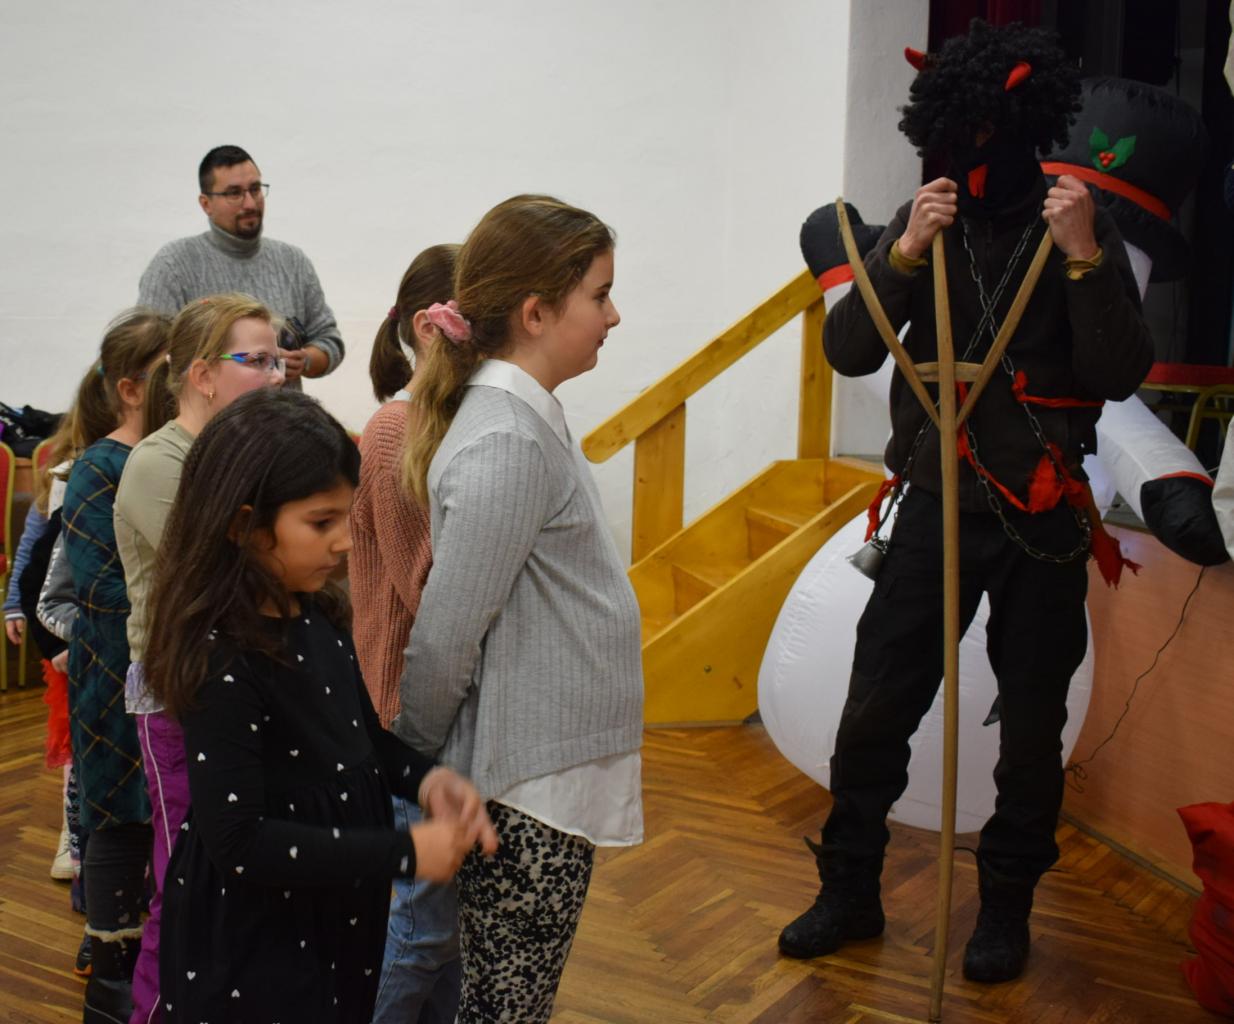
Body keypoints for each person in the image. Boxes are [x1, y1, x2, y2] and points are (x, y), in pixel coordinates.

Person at [777, 20, 1156, 985]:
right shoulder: (925, 222)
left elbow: (1118, 372)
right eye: (954, 132)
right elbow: (851, 351)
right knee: (874, 710)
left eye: (983, 131)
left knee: (1030, 733)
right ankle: (850, 891)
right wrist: (903, 250)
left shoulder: (1079, 224)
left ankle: (1005, 913)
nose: (968, 151)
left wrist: (1082, 254)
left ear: (1023, 123)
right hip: (932, 509)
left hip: (1043, 520)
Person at [141, 388, 495, 1022]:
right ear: (245, 527)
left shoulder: (319, 615)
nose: (346, 542)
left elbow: (367, 740)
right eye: (320, 523)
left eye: (346, 518)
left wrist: (428, 780)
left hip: (335, 912)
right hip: (259, 942)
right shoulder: (223, 655)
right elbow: (239, 841)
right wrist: (405, 852)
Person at [393, 194, 644, 1023]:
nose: (614, 315)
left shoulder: (525, 419)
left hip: (539, 772)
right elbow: (445, 638)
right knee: (507, 1008)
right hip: (525, 785)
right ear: (535, 313)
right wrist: (414, 764)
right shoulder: (506, 437)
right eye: (600, 295)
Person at [113, 293, 285, 1024]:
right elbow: (237, 573)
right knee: (187, 882)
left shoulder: (238, 455)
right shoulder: (159, 463)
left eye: (280, 361)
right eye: (258, 360)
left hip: (244, 691)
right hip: (182, 698)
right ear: (203, 375)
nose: (276, 376)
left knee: (240, 886)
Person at [352, 244, 462, 1023]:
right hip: (405, 712)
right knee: (419, 927)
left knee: (442, 930)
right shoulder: (396, 428)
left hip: (437, 710)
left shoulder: (444, 422)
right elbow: (426, 584)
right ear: (430, 327)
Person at [58, 309, 171, 1021]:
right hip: (111, 676)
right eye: (169, 372)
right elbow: (103, 588)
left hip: (159, 669)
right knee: (118, 817)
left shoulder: (170, 454)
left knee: (157, 816)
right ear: (131, 389)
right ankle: (108, 976)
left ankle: (149, 963)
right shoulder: (98, 467)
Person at [137, 145, 344, 388]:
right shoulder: (173, 265)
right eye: (234, 193)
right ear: (206, 203)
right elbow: (150, 360)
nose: (250, 203)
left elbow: (329, 340)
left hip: (285, 411)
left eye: (255, 189)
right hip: (206, 412)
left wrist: (305, 360)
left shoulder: (293, 262)